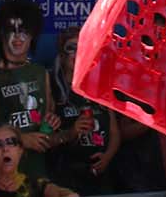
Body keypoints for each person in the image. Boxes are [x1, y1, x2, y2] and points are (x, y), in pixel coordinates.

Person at [0, 0, 59, 181]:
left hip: (36, 172)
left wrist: (52, 121)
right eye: (11, 30)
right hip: (1, 178)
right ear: (1, 34)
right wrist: (21, 139)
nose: (18, 37)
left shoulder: (40, 73)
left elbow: (46, 117)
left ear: (33, 35)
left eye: (24, 30)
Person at [49, 26, 119, 194]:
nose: (77, 52)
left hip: (101, 176)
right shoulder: (52, 87)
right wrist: (72, 132)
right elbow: (46, 138)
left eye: (83, 47)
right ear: (62, 54)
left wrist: (108, 156)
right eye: (71, 48)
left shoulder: (99, 85)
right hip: (66, 174)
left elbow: (115, 132)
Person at [0, 124, 78, 197]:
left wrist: (69, 195)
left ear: (20, 150)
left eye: (11, 142)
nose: (5, 149)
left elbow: (60, 192)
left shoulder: (34, 184)